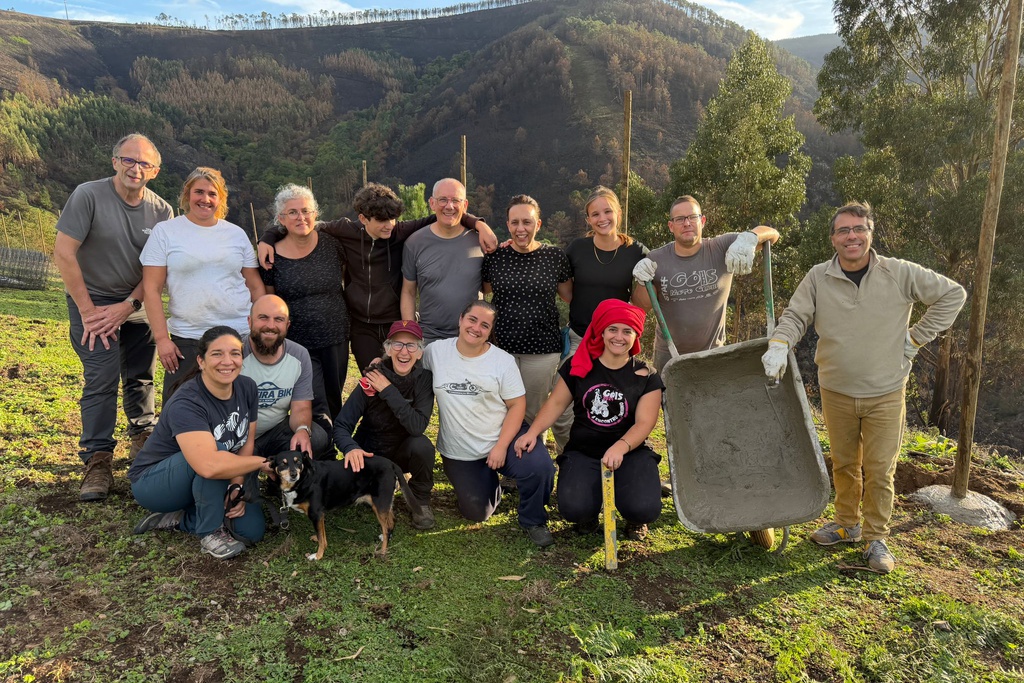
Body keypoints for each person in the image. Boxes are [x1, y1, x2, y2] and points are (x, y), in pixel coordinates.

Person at [762, 201, 966, 573]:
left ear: (870, 234)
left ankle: (876, 538)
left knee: (879, 468)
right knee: (843, 463)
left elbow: (953, 294)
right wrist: (779, 343)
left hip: (885, 390)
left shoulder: (898, 272)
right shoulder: (818, 277)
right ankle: (846, 523)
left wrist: (916, 337)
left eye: (859, 229)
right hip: (836, 389)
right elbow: (795, 316)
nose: (851, 236)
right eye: (843, 230)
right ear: (833, 239)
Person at [258, 182, 496, 372]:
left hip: (393, 321)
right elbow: (304, 223)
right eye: (382, 220)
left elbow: (445, 213)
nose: (389, 225)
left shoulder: (400, 231)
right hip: (362, 326)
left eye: (393, 218)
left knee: (399, 381)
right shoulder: (345, 230)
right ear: (363, 219)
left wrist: (479, 224)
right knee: (373, 380)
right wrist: (268, 236)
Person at [54, 133, 174, 502]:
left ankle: (142, 439)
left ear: (154, 171)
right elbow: (64, 253)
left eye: (144, 164)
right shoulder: (88, 195)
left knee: (141, 376)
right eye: (128, 160)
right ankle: (97, 459)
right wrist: (89, 312)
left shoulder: (162, 211)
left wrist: (129, 306)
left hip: (136, 304)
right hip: (92, 302)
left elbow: (158, 270)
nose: (135, 168)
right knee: (102, 379)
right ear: (114, 162)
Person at [516, 299, 664, 540]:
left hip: (630, 451)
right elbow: (555, 403)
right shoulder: (579, 365)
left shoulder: (646, 375)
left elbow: (645, 423)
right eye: (613, 329)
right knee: (574, 508)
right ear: (602, 332)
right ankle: (588, 516)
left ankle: (635, 519)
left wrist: (620, 447)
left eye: (627, 331)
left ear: (636, 336)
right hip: (584, 450)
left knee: (644, 507)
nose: (619, 337)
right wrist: (532, 432)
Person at [128, 326, 271, 560]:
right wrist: (262, 463)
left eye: (235, 353)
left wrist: (236, 486)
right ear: (201, 361)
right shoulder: (187, 402)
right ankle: (209, 532)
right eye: (217, 354)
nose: (227, 361)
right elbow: (208, 466)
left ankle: (178, 518)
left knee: (251, 531)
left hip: (212, 471)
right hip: (155, 482)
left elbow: (247, 442)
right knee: (218, 453)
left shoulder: (247, 388)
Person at [422, 300, 556, 547]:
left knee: (540, 467)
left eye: (485, 325)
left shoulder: (502, 361)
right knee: (477, 512)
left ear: (490, 331)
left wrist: (500, 446)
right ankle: (488, 483)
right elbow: (406, 362)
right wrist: (381, 362)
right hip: (460, 450)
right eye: (472, 320)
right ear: (461, 319)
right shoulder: (436, 352)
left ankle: (533, 520)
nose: (476, 328)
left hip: (504, 438)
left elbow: (517, 405)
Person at [141, 167, 266, 402]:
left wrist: (257, 331)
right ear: (187, 194)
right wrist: (162, 339)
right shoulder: (166, 232)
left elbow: (255, 287)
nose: (205, 199)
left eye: (212, 194)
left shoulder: (236, 234)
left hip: (237, 334)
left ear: (221, 199)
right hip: (188, 338)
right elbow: (151, 289)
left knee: (237, 406)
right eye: (199, 192)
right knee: (180, 408)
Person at [630, 194, 780, 372]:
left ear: (702, 221)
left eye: (692, 217)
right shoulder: (657, 259)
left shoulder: (721, 247)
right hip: (669, 355)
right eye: (680, 219)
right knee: (667, 400)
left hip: (713, 355)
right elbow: (641, 305)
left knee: (714, 399)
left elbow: (772, 234)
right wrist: (641, 281)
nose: (687, 223)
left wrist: (750, 237)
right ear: (671, 226)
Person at [553, 186, 649, 454]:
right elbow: (568, 295)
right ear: (588, 219)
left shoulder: (636, 252)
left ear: (618, 212)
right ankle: (570, 458)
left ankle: (615, 459)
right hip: (580, 338)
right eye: (595, 214)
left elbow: (643, 305)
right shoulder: (577, 249)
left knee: (617, 409)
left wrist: (646, 278)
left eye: (608, 211)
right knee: (562, 415)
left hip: (617, 344)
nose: (602, 218)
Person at [256, 185, 348, 429]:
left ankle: (333, 448)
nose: (301, 217)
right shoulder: (270, 255)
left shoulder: (332, 244)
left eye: (306, 211)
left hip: (335, 336)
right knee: (313, 400)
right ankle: (320, 452)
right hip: (298, 342)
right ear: (281, 219)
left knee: (334, 397)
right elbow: (270, 300)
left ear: (315, 214)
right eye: (293, 212)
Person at [334, 320, 436, 529]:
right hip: (371, 455)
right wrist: (351, 448)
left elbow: (417, 426)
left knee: (422, 444)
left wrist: (388, 389)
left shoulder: (424, 379)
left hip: (402, 452)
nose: (404, 352)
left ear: (420, 352)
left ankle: (421, 500)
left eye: (411, 345)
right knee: (350, 497)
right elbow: (341, 425)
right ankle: (384, 482)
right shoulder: (372, 376)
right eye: (397, 344)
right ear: (388, 349)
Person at [482, 194, 572, 427]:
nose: (520, 228)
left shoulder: (555, 257)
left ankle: (533, 459)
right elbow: (484, 291)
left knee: (534, 415)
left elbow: (568, 295)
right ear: (508, 225)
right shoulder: (496, 257)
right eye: (515, 222)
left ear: (538, 224)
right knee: (500, 411)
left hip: (542, 351)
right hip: (501, 349)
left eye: (527, 222)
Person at [241, 295, 332, 460]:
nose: (270, 326)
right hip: (239, 438)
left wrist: (302, 430)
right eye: (263, 318)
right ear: (249, 321)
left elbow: (301, 407)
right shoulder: (235, 354)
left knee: (316, 437)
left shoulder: (299, 355)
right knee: (241, 485)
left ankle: (278, 469)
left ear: (287, 325)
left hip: (276, 431)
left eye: (278, 319)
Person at [401, 178, 491, 343]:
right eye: (443, 200)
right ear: (432, 203)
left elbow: (488, 288)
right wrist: (410, 332)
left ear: (465, 205)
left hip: (471, 337)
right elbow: (408, 292)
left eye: (456, 200)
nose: (449, 206)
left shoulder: (480, 242)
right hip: (429, 337)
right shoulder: (414, 243)